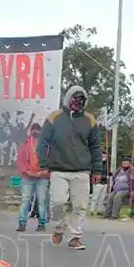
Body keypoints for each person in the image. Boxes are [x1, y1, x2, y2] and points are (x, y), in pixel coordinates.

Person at [37, 85, 103, 251]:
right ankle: (59, 228)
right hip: (58, 169)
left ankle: (75, 237)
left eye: (81, 100)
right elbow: (42, 142)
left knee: (80, 206)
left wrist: (97, 170)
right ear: (68, 99)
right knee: (57, 203)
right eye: (74, 98)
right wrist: (44, 164)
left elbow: (96, 146)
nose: (77, 102)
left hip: (82, 170)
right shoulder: (54, 117)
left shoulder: (90, 120)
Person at [16, 123, 48, 232]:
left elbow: (51, 159)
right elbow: (20, 160)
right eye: (34, 130)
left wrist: (43, 172)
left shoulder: (46, 145)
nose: (36, 131)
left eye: (38, 130)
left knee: (42, 201)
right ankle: (22, 224)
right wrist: (27, 171)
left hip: (42, 176)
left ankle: (42, 224)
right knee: (25, 200)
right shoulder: (25, 144)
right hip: (27, 176)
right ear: (31, 131)